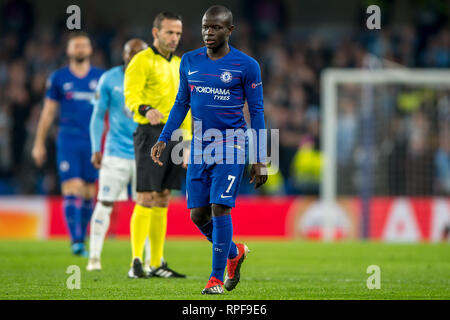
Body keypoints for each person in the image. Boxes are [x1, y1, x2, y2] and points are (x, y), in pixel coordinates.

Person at [151, 5, 268, 294]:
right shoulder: (190, 61)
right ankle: (234, 253)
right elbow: (181, 103)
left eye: (215, 27)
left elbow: (257, 112)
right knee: (198, 216)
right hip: (200, 147)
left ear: (230, 30)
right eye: (205, 27)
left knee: (219, 208)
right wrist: (165, 137)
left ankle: (215, 278)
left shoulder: (247, 65)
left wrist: (260, 158)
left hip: (231, 145)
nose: (208, 32)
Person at [124, 12, 192, 278]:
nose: (174, 38)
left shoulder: (181, 64)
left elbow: (186, 106)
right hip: (150, 132)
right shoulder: (141, 61)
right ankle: (136, 262)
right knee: (146, 195)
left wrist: (186, 141)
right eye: (169, 33)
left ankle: (157, 263)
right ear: (156, 33)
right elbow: (131, 95)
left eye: (177, 33)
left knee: (163, 197)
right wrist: (145, 107)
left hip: (175, 136)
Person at [32, 32, 103, 256]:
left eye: (84, 45)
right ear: (69, 50)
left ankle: (82, 235)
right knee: (72, 188)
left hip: (93, 141)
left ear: (90, 49)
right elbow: (48, 112)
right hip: (68, 139)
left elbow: (109, 111)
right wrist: (39, 143)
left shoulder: (101, 78)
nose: (80, 49)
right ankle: (76, 241)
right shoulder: (59, 78)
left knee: (89, 192)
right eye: (76, 46)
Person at [86, 39, 149, 271]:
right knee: (104, 203)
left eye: (139, 53)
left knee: (148, 206)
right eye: (129, 52)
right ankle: (94, 258)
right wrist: (96, 148)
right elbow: (97, 116)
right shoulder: (109, 79)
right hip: (115, 154)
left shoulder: (153, 79)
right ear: (122, 54)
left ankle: (150, 262)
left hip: (146, 153)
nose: (133, 57)